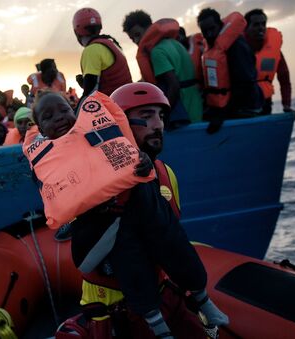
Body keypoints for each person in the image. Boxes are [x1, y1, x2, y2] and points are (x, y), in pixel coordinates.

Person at [32, 91, 228, 338]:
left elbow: (170, 236)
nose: (158, 124)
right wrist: (110, 210)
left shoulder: (165, 174)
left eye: (161, 116)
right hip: (116, 307)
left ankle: (202, 301)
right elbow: (85, 258)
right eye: (146, 116)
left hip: (165, 293)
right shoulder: (57, 172)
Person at [122, 10, 203, 128]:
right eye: (132, 38)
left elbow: (173, 85)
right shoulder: (174, 43)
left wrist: (161, 116)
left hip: (186, 113)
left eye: (138, 35)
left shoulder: (157, 52)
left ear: (149, 27)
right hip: (197, 106)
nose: (136, 41)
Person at [198, 8, 263, 133]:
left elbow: (245, 85)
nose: (209, 34)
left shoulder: (236, 46)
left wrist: (221, 115)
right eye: (205, 31)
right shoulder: (214, 48)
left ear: (220, 25)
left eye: (212, 29)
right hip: (229, 106)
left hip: (246, 107)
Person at [73, 8, 132, 97]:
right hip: (127, 101)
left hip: (112, 107)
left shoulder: (92, 50)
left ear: (77, 31)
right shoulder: (112, 43)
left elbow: (90, 93)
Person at [244, 8, 294, 115]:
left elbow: (284, 79)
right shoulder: (237, 49)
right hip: (242, 106)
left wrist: (286, 105)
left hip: (265, 104)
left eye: (263, 24)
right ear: (246, 28)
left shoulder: (274, 51)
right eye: (256, 24)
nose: (261, 28)